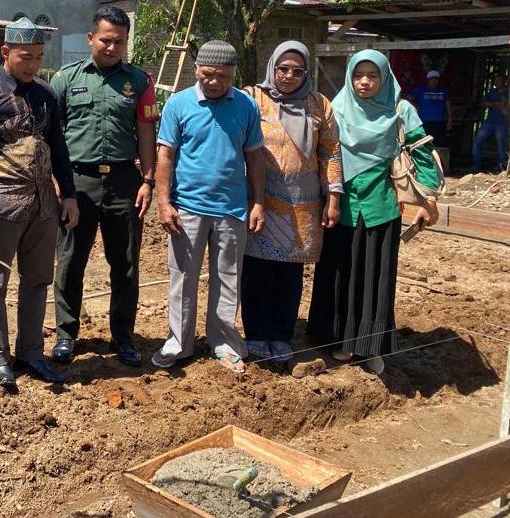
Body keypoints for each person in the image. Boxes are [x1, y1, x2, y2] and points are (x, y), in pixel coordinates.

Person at [0, 17, 80, 388]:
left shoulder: (45, 94)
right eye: (25, 56)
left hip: (43, 205)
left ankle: (31, 353)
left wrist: (70, 194)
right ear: (6, 52)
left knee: (38, 280)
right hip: (2, 205)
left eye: (38, 57)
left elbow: (58, 147)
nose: (32, 64)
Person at [308, 50, 441, 375]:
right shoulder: (336, 108)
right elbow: (322, 154)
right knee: (340, 274)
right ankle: (338, 340)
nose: (364, 82)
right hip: (341, 209)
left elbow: (422, 153)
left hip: (382, 209)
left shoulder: (400, 110)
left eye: (372, 75)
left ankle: (371, 346)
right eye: (358, 75)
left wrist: (428, 201)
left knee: (375, 278)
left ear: (385, 77)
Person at [49, 6, 159, 367]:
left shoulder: (139, 82)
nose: (113, 48)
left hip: (125, 182)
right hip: (77, 182)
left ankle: (124, 338)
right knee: (70, 262)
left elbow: (145, 131)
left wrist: (148, 180)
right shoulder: (65, 79)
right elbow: (52, 136)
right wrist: (59, 186)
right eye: (107, 40)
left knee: (125, 263)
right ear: (91, 38)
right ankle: (66, 335)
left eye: (120, 42)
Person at [151, 40, 265, 374]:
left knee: (228, 277)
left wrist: (258, 202)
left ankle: (224, 343)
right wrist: (163, 201)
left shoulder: (245, 106)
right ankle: (179, 343)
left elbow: (255, 156)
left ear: (233, 74)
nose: (215, 82)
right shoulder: (178, 104)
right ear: (196, 69)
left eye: (223, 76)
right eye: (208, 74)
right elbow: (166, 155)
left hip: (232, 208)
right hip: (188, 207)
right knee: (182, 278)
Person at [240, 41, 342, 367]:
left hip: (303, 206)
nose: (289, 76)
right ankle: (256, 333)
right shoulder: (252, 98)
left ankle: (282, 336)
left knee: (289, 274)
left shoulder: (319, 105)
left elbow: (330, 152)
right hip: (261, 201)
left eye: (297, 71)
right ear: (272, 67)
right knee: (258, 270)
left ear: (306, 73)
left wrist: (334, 198)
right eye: (283, 68)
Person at [472, 74, 509, 173]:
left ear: (504, 81)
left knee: (501, 147)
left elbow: (504, 108)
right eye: (496, 81)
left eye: (499, 80)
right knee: (477, 142)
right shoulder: (492, 91)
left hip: (501, 123)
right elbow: (483, 103)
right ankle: (476, 167)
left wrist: (492, 104)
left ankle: (501, 169)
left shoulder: (507, 92)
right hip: (489, 122)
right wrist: (496, 104)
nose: (497, 83)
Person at [409, 70, 453, 148]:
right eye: (432, 79)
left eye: (436, 79)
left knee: (440, 144)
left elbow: (448, 105)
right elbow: (408, 98)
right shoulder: (420, 89)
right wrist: (416, 107)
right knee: (424, 143)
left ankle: (437, 159)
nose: (434, 81)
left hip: (439, 122)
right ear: (428, 80)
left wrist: (450, 120)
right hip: (424, 121)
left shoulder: (443, 90)